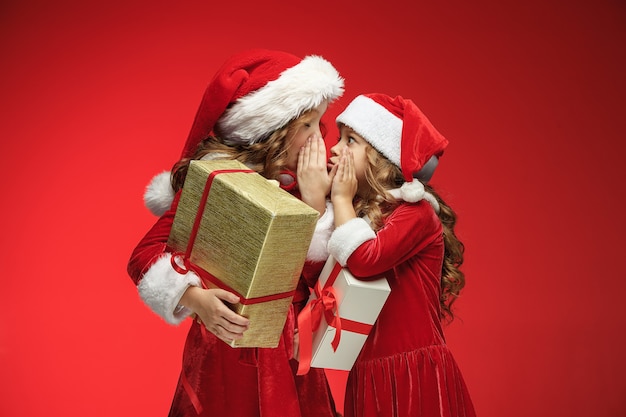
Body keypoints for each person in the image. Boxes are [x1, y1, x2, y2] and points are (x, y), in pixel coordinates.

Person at [127, 49, 344, 417]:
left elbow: (314, 278)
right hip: (225, 345)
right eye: (306, 124)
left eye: (319, 123)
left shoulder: (309, 185)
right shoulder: (218, 181)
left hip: (288, 347)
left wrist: (314, 201)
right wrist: (195, 299)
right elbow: (143, 256)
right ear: (271, 127)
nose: (318, 138)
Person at [326, 93, 476, 417]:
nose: (335, 149)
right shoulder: (355, 217)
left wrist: (339, 198)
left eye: (350, 140)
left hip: (414, 375)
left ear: (383, 156)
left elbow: (365, 259)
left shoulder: (416, 212)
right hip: (370, 374)